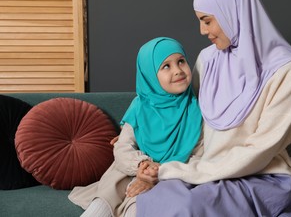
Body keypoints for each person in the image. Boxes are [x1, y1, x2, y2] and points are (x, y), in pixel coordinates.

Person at [132, 0, 291, 216]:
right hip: (204, 169)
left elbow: (259, 151)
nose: (203, 31)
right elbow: (184, 114)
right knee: (154, 199)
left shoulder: (288, 72)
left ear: (233, 11)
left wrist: (175, 171)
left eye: (207, 20)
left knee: (186, 207)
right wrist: (135, 130)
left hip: (261, 175)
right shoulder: (207, 60)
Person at [68, 37, 203, 217]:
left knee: (140, 200)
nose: (178, 70)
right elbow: (123, 146)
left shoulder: (196, 109)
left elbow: (200, 155)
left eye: (181, 61)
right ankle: (100, 208)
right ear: (149, 75)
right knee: (116, 176)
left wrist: (158, 171)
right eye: (166, 66)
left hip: (171, 176)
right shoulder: (140, 106)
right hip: (134, 169)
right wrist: (142, 164)